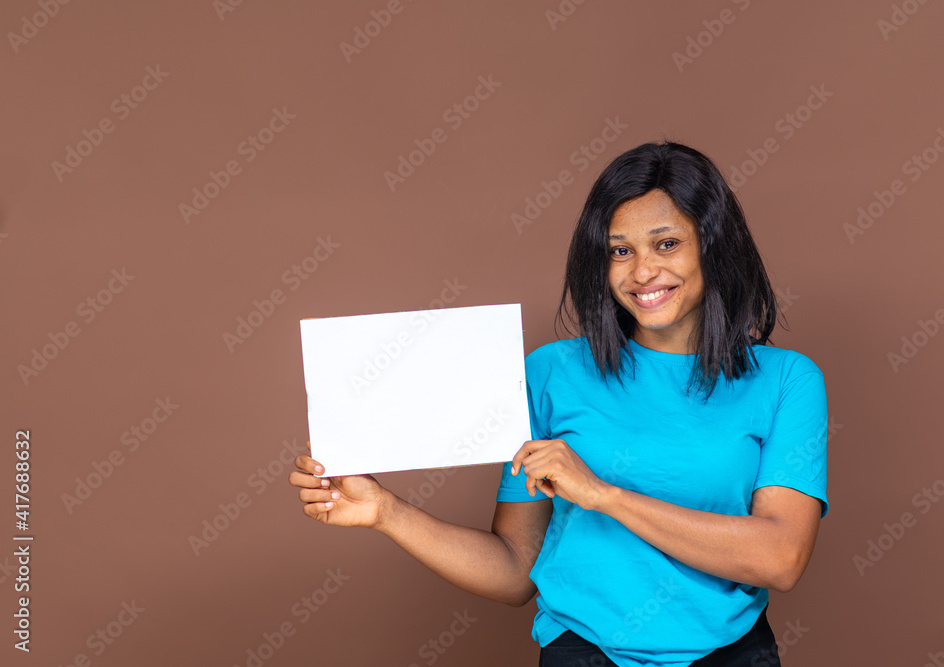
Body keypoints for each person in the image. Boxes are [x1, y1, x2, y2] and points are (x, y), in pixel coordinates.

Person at [288, 140, 829, 667]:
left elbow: (780, 558)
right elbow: (516, 570)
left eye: (666, 244)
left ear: (713, 246)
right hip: (584, 653)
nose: (642, 272)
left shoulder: (786, 381)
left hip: (731, 654)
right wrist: (387, 513)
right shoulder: (550, 373)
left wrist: (603, 495)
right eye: (621, 250)